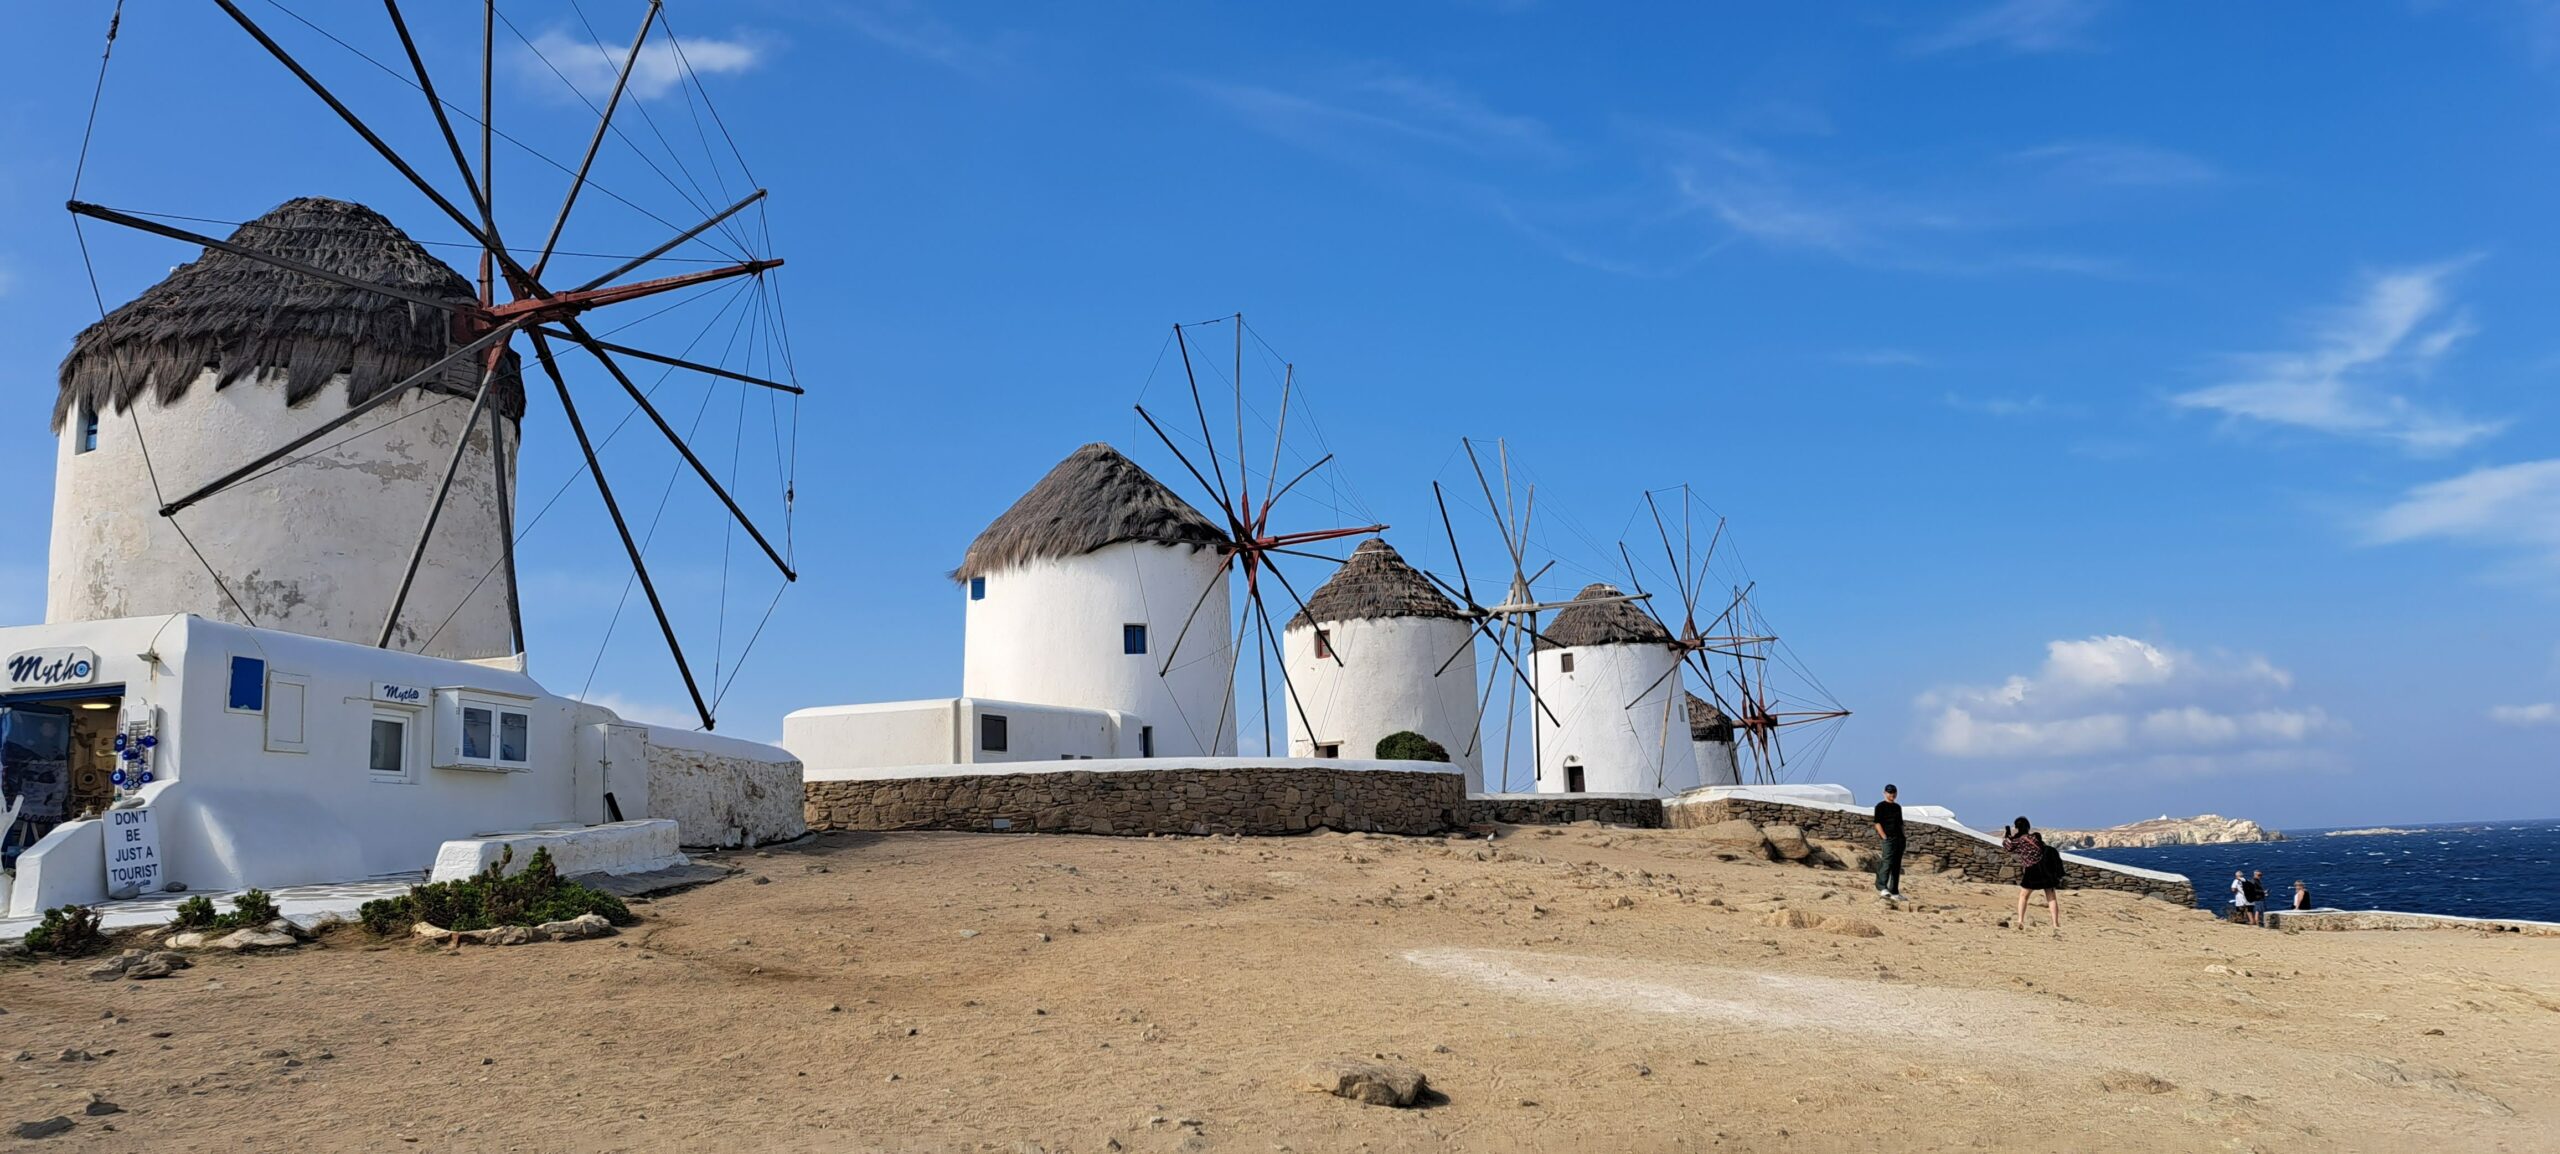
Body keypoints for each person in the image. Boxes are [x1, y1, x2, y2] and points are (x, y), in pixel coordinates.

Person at [2004, 816, 2064, 932]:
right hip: (2045, 869)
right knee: (2051, 897)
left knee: (2024, 896)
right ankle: (2055, 924)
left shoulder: (2019, 841)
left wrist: (2007, 835)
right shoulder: (2035, 837)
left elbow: (2008, 847)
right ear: (2028, 827)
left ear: (2017, 828)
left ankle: (2020, 920)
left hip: (2031, 870)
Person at [1872, 783, 1906, 901]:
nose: (1892, 794)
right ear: (1885, 793)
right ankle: (1882, 887)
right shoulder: (1880, 806)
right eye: (1890, 792)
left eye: (1894, 792)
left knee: (1896, 865)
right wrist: (1884, 837)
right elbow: (1877, 823)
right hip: (1888, 838)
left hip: (1899, 839)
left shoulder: (1897, 807)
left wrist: (1903, 837)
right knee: (1887, 862)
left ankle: (1894, 891)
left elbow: (1901, 824)